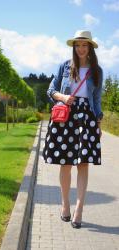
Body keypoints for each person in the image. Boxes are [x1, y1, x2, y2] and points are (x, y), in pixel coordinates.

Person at [42, 30, 103, 229]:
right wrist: (63, 98)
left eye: (84, 45)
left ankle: (79, 208)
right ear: (74, 47)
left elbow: (96, 99)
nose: (81, 49)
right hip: (66, 117)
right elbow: (51, 90)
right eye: (77, 45)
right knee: (65, 163)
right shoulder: (64, 67)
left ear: (90, 48)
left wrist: (99, 124)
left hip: (87, 119)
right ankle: (65, 204)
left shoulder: (97, 71)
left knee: (83, 164)